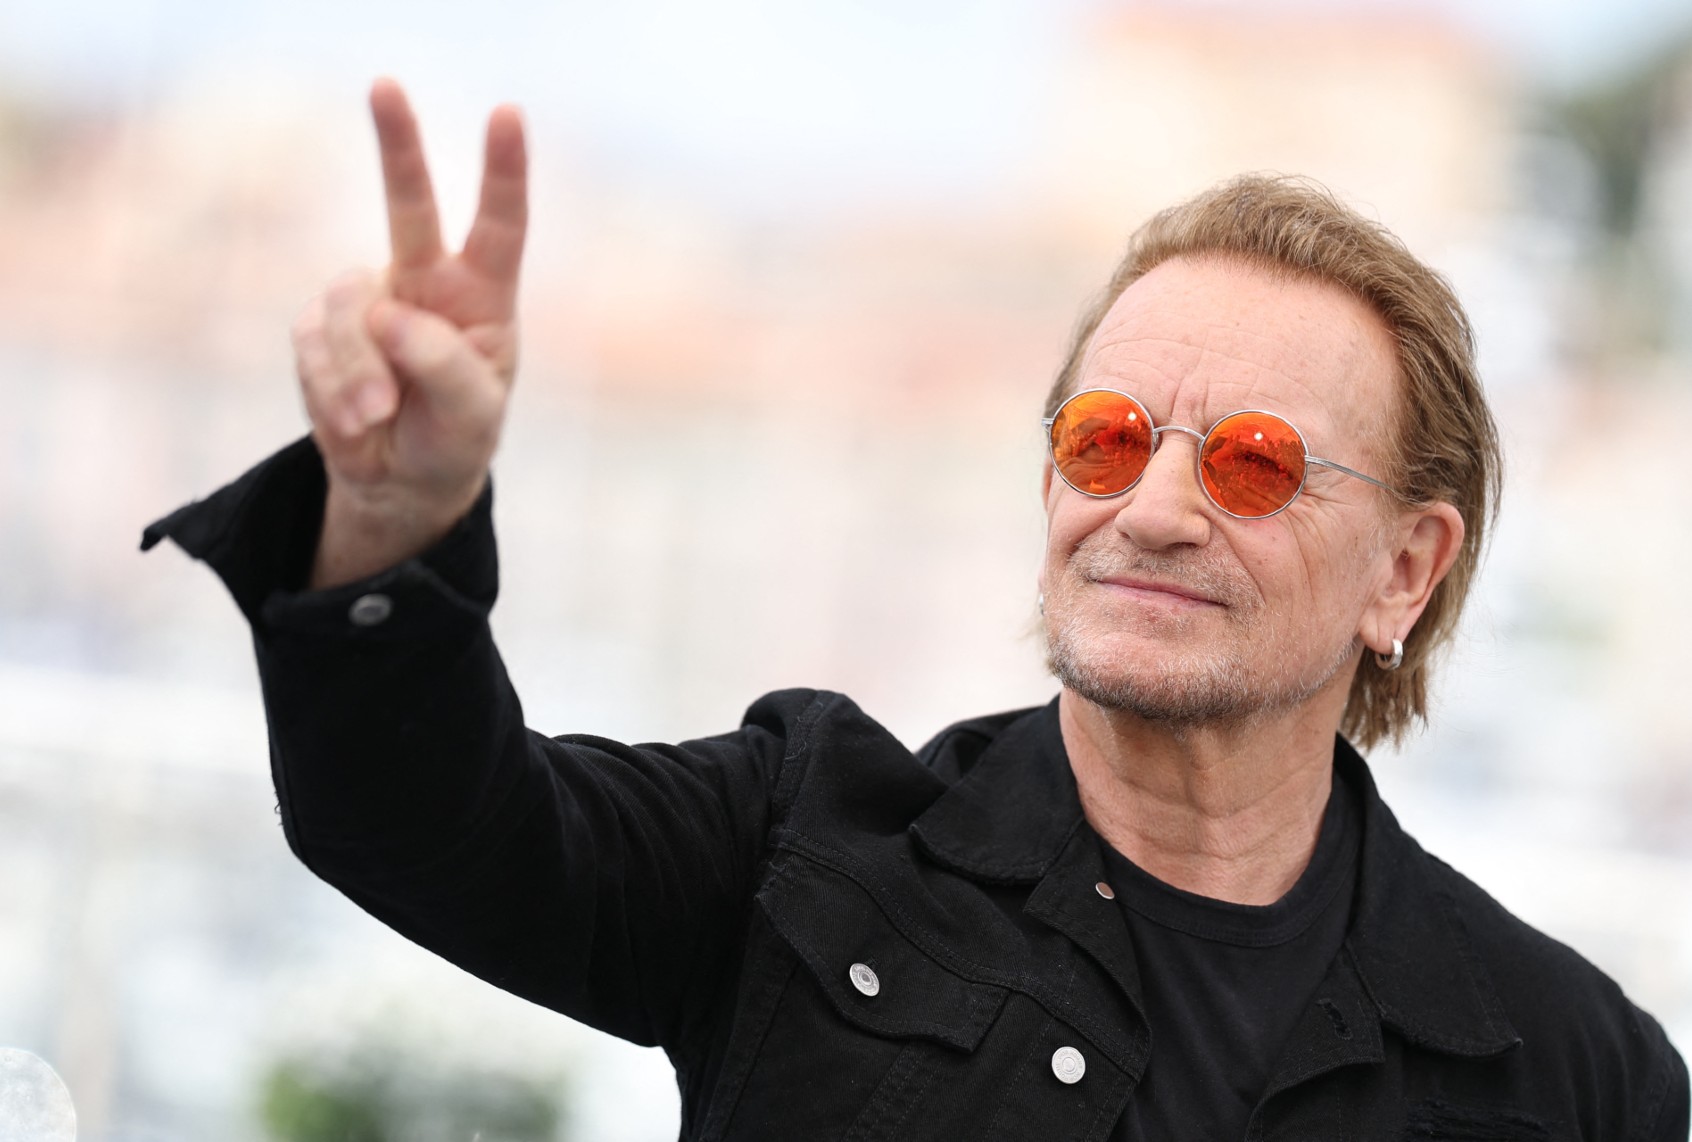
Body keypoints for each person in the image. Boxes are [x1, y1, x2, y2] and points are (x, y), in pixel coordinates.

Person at [145, 79, 1688, 1141]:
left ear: (1406, 569)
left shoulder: (1576, 1074)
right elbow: (426, 825)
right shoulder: (805, 837)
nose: (1152, 508)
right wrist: (393, 524)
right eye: (1105, 439)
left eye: (1254, 462)